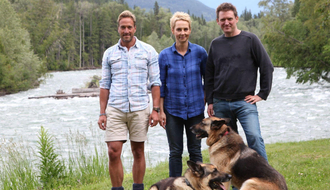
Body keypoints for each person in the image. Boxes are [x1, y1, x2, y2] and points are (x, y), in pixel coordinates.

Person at [97, 10, 161, 190]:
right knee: (113, 151)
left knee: (138, 151)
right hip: (115, 108)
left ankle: (138, 187)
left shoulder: (148, 51)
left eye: (129, 27)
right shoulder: (109, 54)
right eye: (123, 27)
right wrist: (102, 113)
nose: (126, 30)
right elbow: (105, 84)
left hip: (140, 108)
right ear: (118, 28)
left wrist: (155, 110)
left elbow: (155, 83)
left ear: (135, 28)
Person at [205, 2, 273, 163]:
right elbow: (209, 75)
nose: (226, 22)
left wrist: (262, 94)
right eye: (222, 20)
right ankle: (236, 184)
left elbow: (266, 66)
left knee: (254, 138)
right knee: (229, 146)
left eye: (229, 19)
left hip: (245, 102)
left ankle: (265, 177)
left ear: (236, 18)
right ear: (217, 21)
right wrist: (210, 101)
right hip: (220, 103)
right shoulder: (215, 44)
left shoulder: (250, 39)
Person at [158, 12, 207, 177]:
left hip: (195, 110)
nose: (182, 33)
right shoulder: (164, 55)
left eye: (185, 29)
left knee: (195, 150)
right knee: (175, 151)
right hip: (173, 111)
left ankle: (199, 184)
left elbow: (208, 80)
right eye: (179, 29)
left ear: (190, 30)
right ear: (173, 30)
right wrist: (160, 111)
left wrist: (205, 100)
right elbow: (161, 85)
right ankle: (175, 185)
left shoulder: (200, 53)